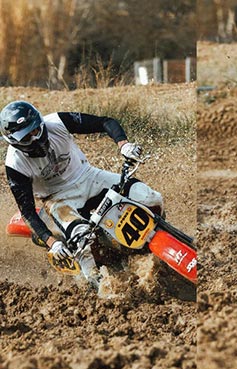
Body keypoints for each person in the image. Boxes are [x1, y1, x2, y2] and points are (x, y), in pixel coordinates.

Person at [1, 100, 163, 285]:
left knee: (150, 197)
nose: (35, 139)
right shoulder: (14, 164)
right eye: (27, 138)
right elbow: (27, 212)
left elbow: (105, 121)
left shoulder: (57, 121)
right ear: (14, 142)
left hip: (88, 176)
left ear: (41, 123)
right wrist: (52, 243)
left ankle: (161, 232)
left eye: (36, 131)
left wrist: (123, 145)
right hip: (58, 198)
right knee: (82, 239)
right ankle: (98, 287)